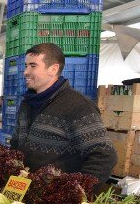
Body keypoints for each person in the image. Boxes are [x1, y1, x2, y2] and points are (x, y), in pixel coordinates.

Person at [10, 43, 116, 185]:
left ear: (53, 69)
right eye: (26, 65)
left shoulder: (78, 106)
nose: (25, 72)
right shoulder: (26, 103)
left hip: (55, 201)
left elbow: (104, 156)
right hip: (26, 193)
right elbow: (15, 145)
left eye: (33, 66)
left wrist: (76, 193)